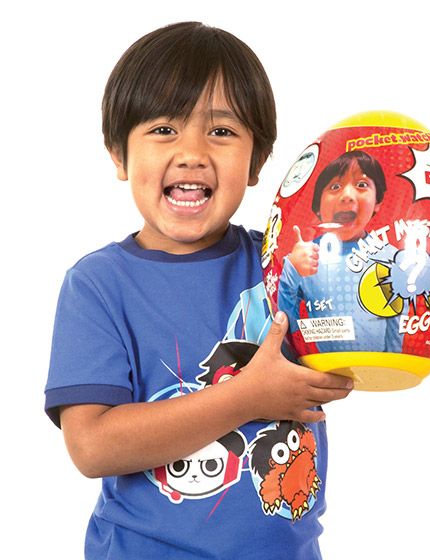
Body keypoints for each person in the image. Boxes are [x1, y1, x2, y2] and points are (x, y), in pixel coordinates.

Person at [44, 22, 354, 560]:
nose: (191, 152)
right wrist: (246, 398)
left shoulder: (283, 263)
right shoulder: (97, 286)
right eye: (163, 129)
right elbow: (91, 446)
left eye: (221, 131)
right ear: (119, 155)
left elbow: (401, 337)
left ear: (257, 162)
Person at [278, 150, 405, 354]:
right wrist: (292, 270)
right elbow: (285, 323)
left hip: (380, 369)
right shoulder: (304, 257)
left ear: (378, 202)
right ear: (318, 207)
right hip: (324, 371)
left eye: (362, 185)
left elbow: (397, 324)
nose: (347, 196)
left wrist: (393, 365)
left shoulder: (389, 257)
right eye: (335, 186)